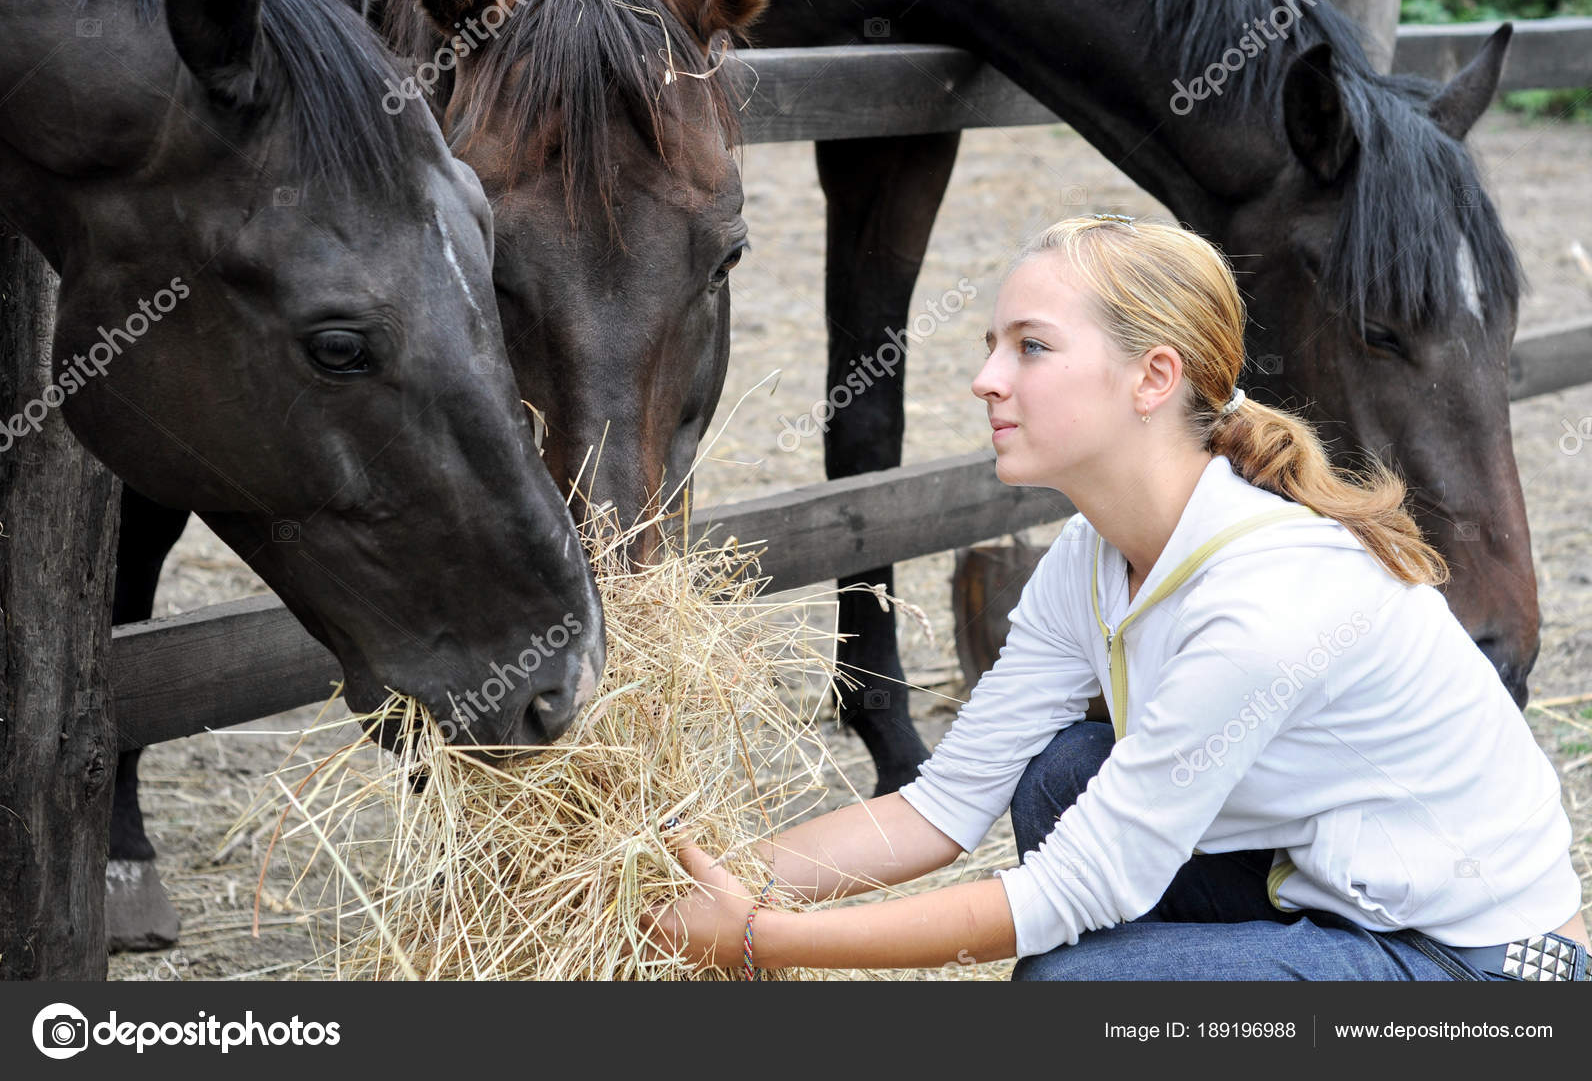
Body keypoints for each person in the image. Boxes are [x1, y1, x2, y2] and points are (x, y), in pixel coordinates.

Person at [640, 215, 1590, 981]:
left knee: (1074, 992)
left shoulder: (1264, 601)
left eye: (1032, 347)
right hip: (1336, 892)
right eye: (990, 345)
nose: (984, 379)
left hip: (1476, 965)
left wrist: (760, 937)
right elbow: (943, 806)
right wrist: (691, 889)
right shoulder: (1094, 556)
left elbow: (1072, 888)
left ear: (1154, 376)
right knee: (1066, 770)